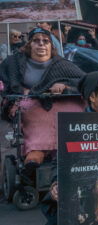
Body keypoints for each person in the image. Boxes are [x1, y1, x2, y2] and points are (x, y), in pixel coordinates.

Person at [0, 27, 85, 167]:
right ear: (29, 45)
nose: (41, 44)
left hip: (61, 101)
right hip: (30, 102)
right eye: (36, 41)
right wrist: (23, 91)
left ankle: (70, 152)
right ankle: (36, 151)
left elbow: (83, 81)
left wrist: (65, 87)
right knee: (35, 115)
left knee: (74, 111)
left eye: (45, 41)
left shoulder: (62, 64)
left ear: (51, 46)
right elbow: (6, 83)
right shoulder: (14, 62)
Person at [43, 71, 98, 225]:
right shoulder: (74, 128)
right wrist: (56, 184)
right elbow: (59, 163)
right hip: (85, 197)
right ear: (92, 97)